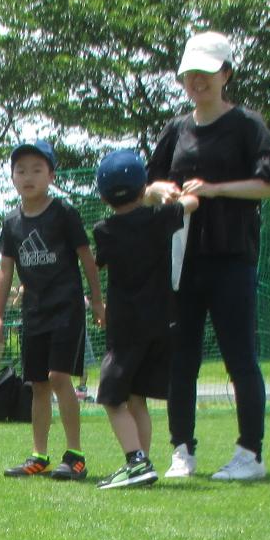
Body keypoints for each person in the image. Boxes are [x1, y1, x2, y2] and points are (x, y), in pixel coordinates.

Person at [149, 30, 270, 482]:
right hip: (182, 260)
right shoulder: (175, 129)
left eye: (207, 73)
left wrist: (215, 190)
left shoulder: (247, 125)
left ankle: (250, 453)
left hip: (233, 256)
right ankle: (181, 450)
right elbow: (148, 187)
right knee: (181, 358)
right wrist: (161, 191)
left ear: (226, 73)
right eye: (191, 73)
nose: (198, 81)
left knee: (240, 356)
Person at [0, 139, 103, 481]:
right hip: (33, 315)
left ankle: (76, 455)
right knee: (37, 384)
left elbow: (87, 259)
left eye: (37, 170)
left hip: (66, 310)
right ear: (12, 178)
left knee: (58, 377)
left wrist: (97, 300)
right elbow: (5, 271)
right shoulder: (11, 222)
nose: (28, 176)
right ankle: (39, 455)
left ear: (51, 176)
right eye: (21, 170)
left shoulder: (64, 214)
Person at [90, 150, 200, 489]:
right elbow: (192, 203)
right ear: (142, 189)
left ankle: (135, 461)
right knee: (137, 398)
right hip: (161, 322)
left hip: (125, 327)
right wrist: (165, 193)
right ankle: (145, 465)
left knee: (111, 398)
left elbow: (102, 262)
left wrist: (147, 194)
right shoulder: (160, 219)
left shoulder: (104, 230)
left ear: (104, 196)